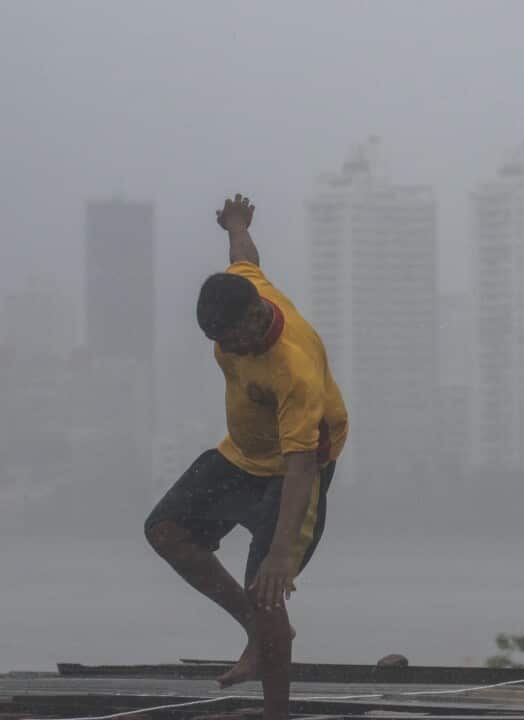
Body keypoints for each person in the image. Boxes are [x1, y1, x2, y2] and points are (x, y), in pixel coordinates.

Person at [145, 193, 349, 719]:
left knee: (268, 590)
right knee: (164, 528)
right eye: (217, 341)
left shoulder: (294, 370)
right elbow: (246, 257)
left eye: (232, 340)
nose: (227, 350)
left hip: (295, 470)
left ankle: (274, 710)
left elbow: (301, 466)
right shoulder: (245, 290)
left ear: (258, 318)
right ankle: (257, 633)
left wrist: (281, 555)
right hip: (241, 455)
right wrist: (237, 223)